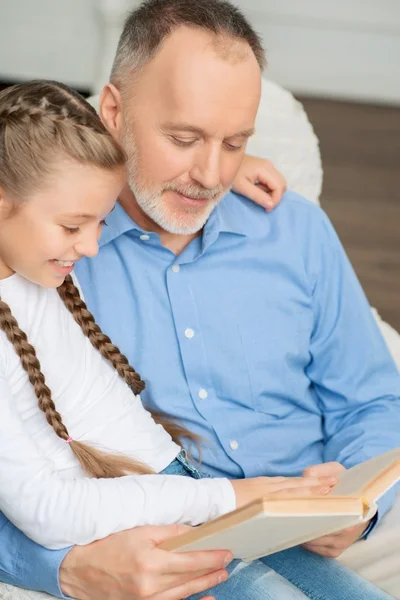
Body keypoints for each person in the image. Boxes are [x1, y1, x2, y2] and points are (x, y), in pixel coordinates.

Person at [0, 1, 399, 600]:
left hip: (297, 520)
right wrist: (59, 567)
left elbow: (373, 400)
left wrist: (357, 506)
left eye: (235, 142)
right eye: (184, 138)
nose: (210, 175)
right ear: (114, 113)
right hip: (157, 529)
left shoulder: (294, 230)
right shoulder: (59, 253)